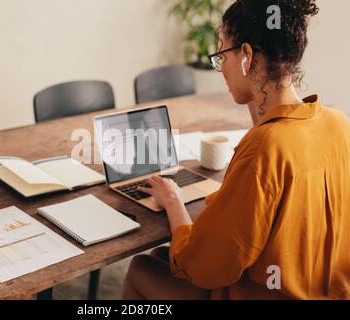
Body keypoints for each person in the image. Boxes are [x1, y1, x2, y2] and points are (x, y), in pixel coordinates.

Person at [122, 0, 349, 300]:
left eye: (222, 53)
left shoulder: (264, 148)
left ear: (246, 56)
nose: (220, 69)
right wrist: (256, 101)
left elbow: (206, 266)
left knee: (142, 267)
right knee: (163, 256)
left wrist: (174, 201)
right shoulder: (337, 122)